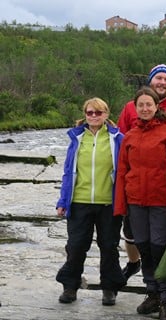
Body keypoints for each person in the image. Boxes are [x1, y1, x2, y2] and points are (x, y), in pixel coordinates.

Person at [114, 87, 166, 319]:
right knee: (143, 245)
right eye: (140, 105)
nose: (145, 108)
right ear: (135, 108)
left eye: (149, 104)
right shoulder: (130, 136)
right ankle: (152, 293)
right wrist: (121, 205)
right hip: (136, 201)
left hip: (161, 201)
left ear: (157, 107)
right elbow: (123, 171)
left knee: (159, 247)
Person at [55, 97, 126, 306]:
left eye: (98, 112)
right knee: (76, 246)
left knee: (109, 247)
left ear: (106, 114)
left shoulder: (118, 138)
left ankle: (109, 288)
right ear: (85, 115)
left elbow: (123, 172)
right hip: (79, 201)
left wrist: (124, 201)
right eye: (89, 112)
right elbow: (68, 172)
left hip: (108, 203)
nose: (94, 116)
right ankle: (70, 286)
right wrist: (63, 200)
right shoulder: (77, 139)